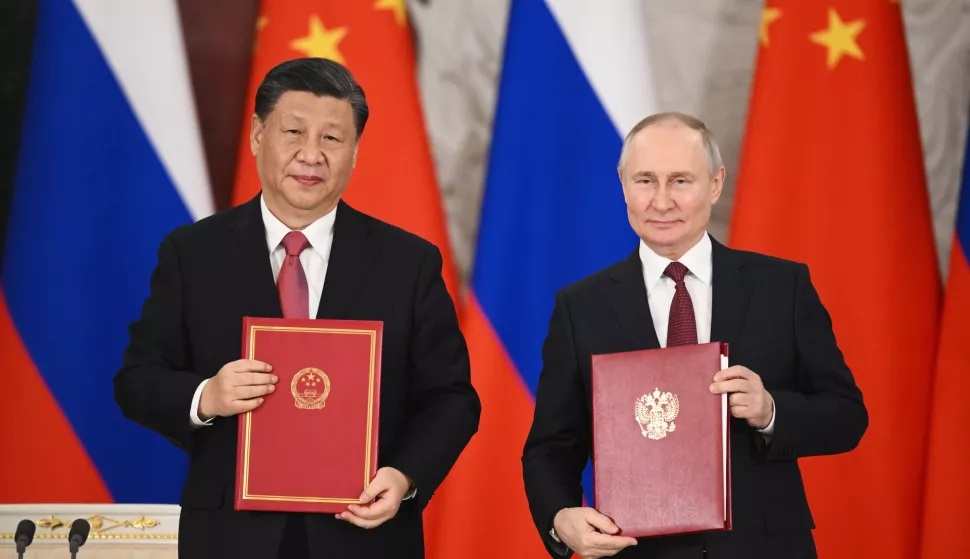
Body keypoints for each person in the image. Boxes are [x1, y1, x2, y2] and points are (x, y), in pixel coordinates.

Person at [114, 57, 481, 559]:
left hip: (363, 535)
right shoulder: (193, 253)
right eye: (294, 132)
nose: (311, 155)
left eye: (332, 139)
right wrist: (207, 396)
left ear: (355, 151)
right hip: (229, 536)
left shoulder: (407, 262)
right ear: (258, 135)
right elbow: (136, 380)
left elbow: (452, 399)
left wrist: (404, 476)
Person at [521, 112, 867, 559]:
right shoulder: (579, 307)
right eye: (645, 181)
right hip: (635, 550)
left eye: (681, 181)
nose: (661, 201)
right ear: (623, 184)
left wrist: (771, 411)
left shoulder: (782, 287)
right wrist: (560, 518)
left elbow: (846, 417)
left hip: (764, 548)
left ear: (716, 184)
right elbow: (550, 447)